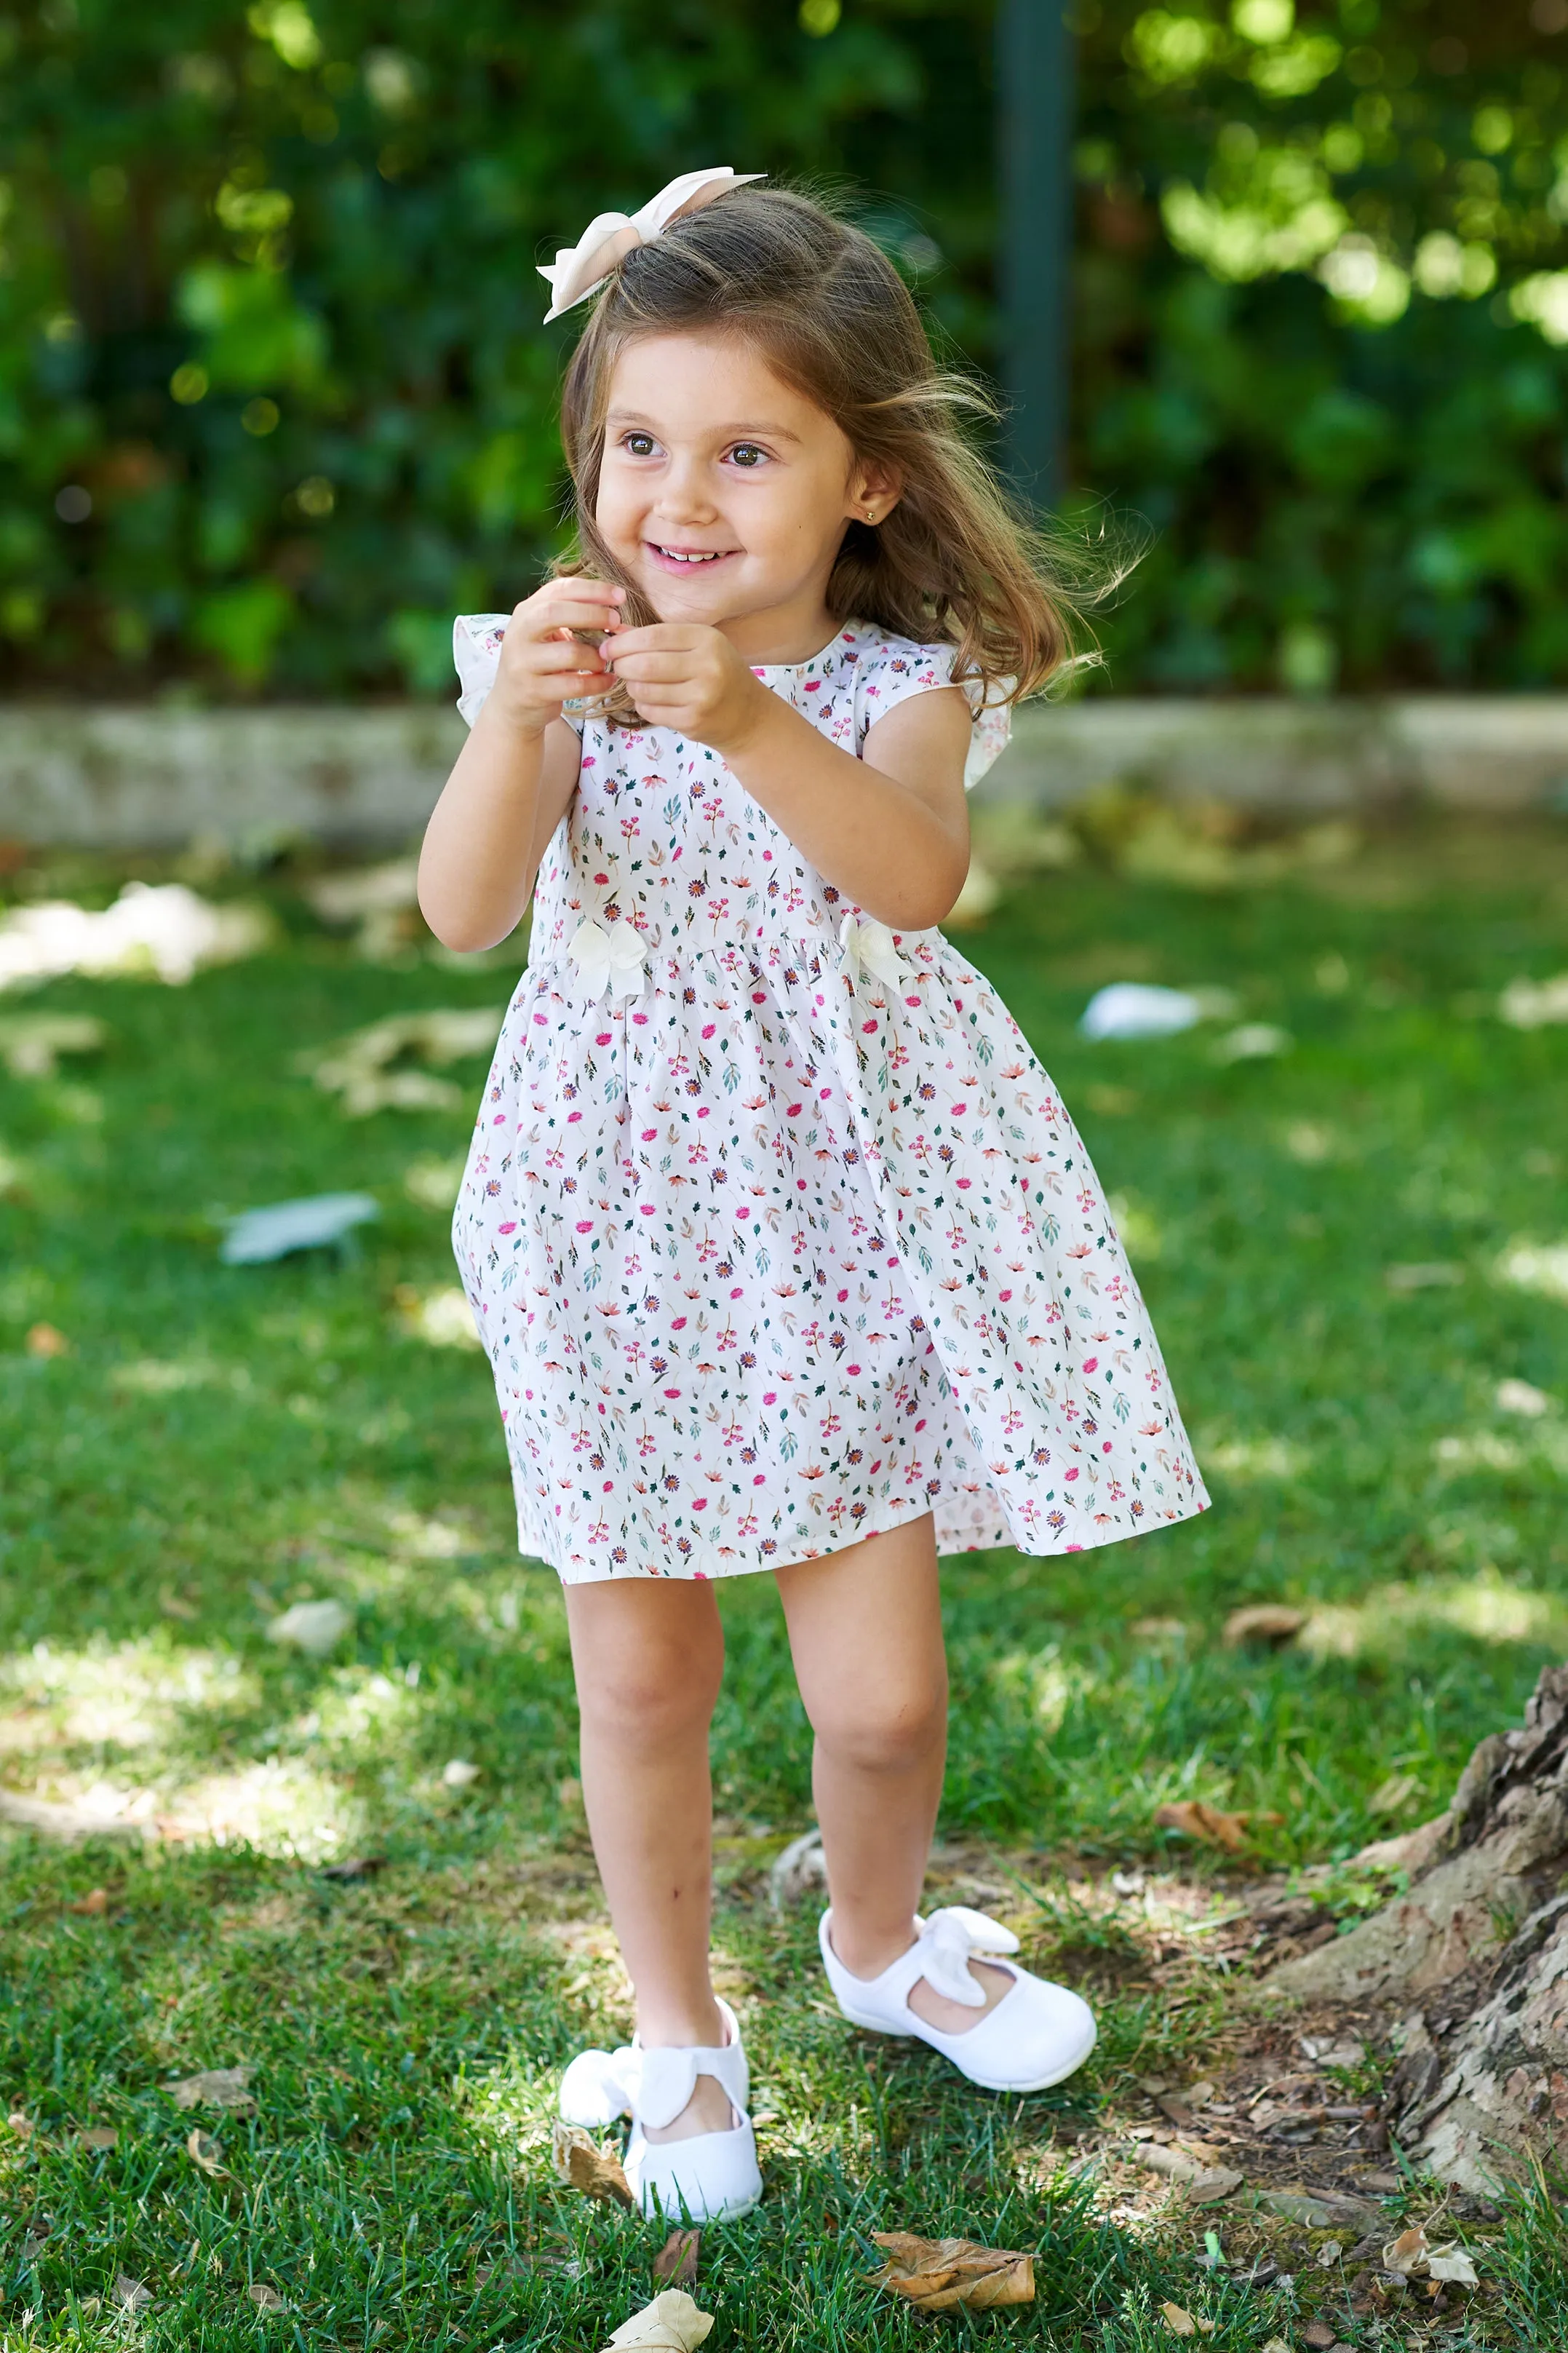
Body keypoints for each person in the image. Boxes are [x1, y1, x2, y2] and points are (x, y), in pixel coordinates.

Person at [418, 170, 1209, 2225]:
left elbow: (914, 879)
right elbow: (457, 909)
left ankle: (879, 1945)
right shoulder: (557, 670)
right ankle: (679, 2038)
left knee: (885, 1693)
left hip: (847, 1226)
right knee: (645, 1677)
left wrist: (753, 716)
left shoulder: (892, 685)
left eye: (746, 449)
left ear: (864, 478)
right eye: (637, 446)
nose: (680, 497)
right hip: (613, 1232)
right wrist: (518, 717)